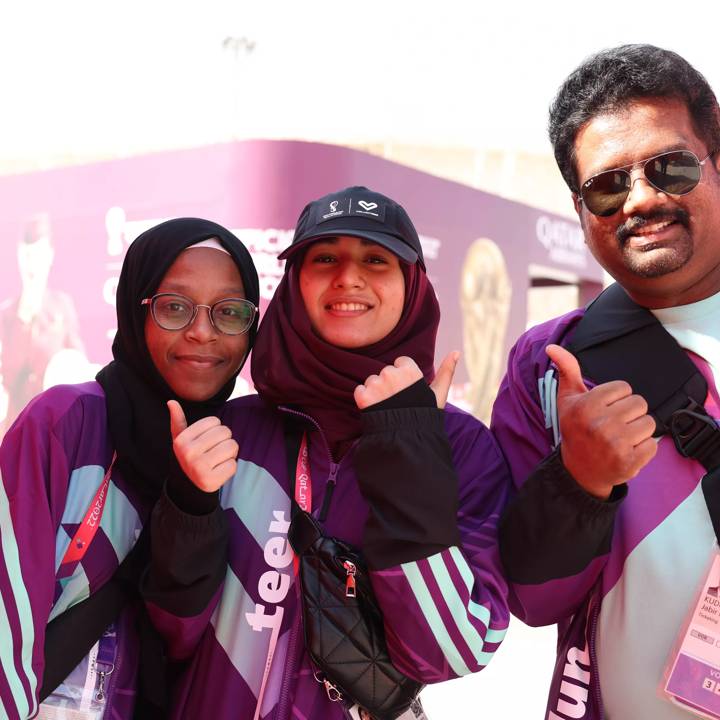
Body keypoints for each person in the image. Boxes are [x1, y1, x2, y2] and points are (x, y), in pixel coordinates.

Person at [143, 186, 511, 719]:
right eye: (325, 258)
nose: (348, 277)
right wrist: (188, 508)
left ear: (413, 286)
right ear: (295, 284)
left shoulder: (460, 446)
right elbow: (169, 633)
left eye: (376, 260)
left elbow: (451, 651)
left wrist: (408, 457)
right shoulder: (231, 431)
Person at [492, 45, 720, 719]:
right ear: (580, 206)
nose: (642, 200)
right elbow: (533, 598)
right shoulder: (551, 362)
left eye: (670, 168)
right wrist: (580, 483)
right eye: (608, 185)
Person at [0, 218, 259, 719]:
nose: (202, 331)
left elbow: (183, 637)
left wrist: (192, 505)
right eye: (174, 307)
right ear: (135, 309)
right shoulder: (65, 424)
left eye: (228, 312)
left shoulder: (242, 458)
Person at [0, 213, 85, 437]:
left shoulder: (62, 306)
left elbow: (78, 364)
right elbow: (7, 376)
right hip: (16, 430)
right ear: (19, 256)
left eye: (37, 254)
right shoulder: (7, 315)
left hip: (57, 428)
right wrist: (23, 320)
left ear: (49, 256)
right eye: (27, 255)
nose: (32, 264)